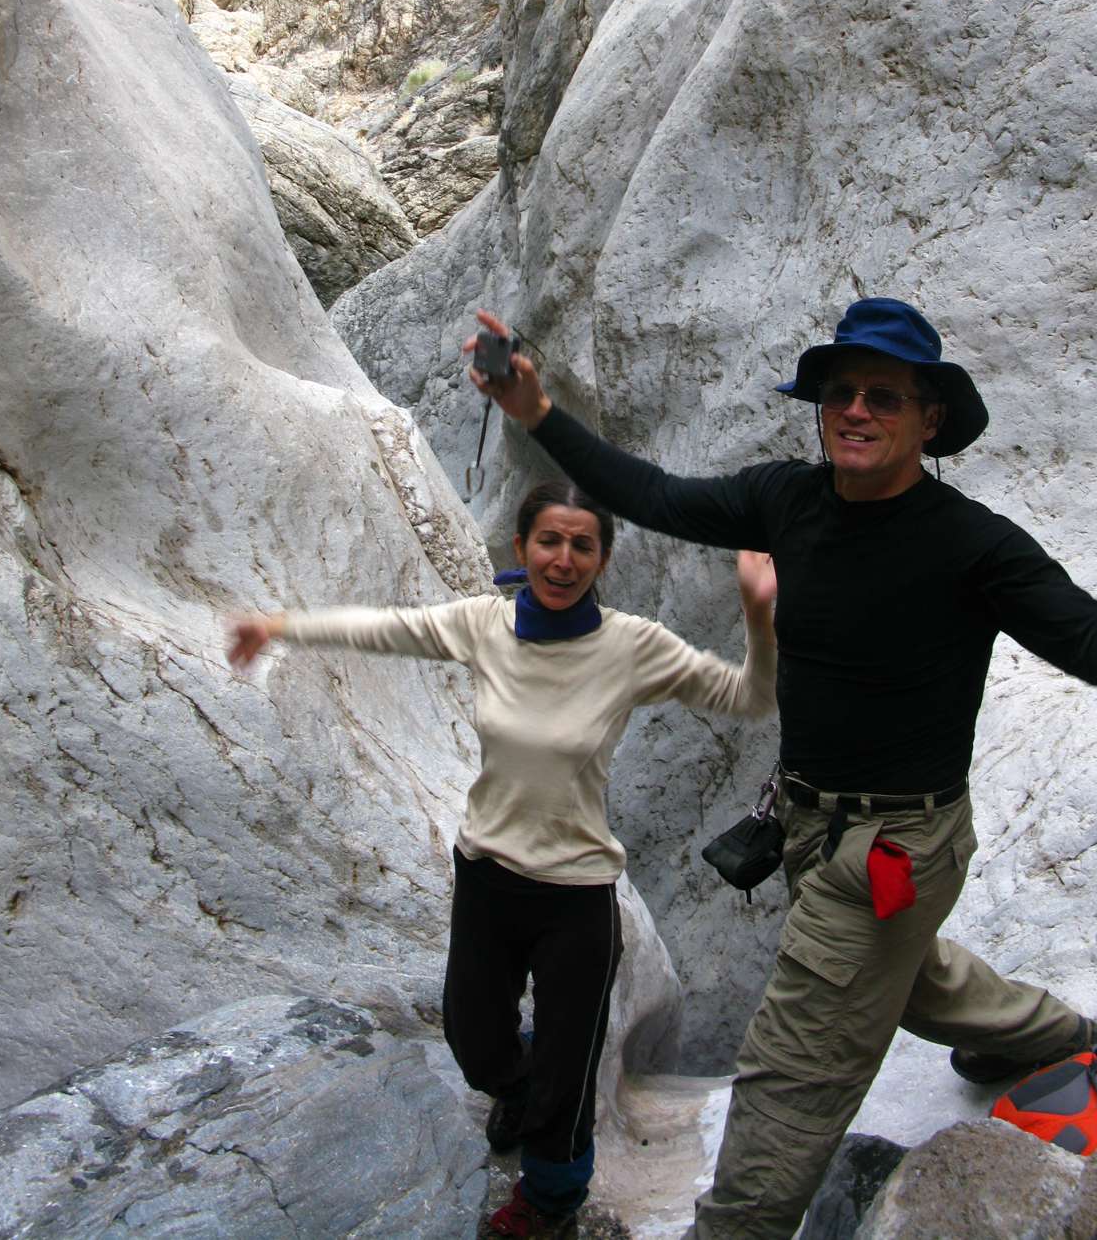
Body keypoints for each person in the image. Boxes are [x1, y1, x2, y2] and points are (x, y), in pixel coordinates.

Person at [466, 298, 1097, 1240]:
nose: (854, 410)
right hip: (811, 826)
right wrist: (535, 411)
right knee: (903, 976)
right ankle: (1052, 1037)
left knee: (794, 1066)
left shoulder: (973, 547)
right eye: (840, 392)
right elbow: (656, 496)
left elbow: (1091, 640)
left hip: (896, 844)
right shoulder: (787, 499)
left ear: (929, 420)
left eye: (884, 397)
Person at [227, 477, 779, 1240]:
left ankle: (550, 1199)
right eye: (548, 540)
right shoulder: (484, 625)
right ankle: (515, 1088)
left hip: (577, 891)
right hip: (487, 872)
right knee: (473, 1038)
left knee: (567, 1067)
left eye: (581, 545)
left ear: (602, 559)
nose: (562, 559)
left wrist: (757, 614)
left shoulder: (632, 646)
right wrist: (279, 626)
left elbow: (749, 698)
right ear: (521, 547)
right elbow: (386, 628)